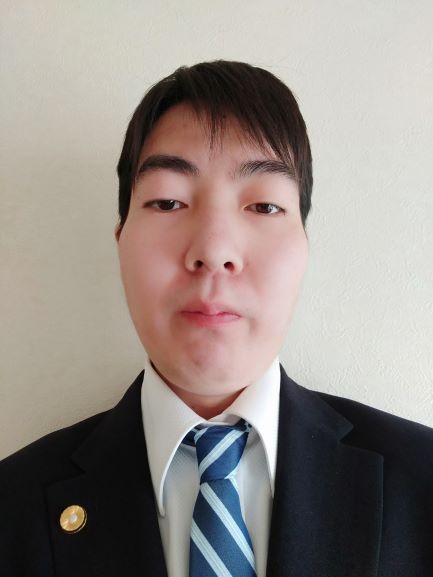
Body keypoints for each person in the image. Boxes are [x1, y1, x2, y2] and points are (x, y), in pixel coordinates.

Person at [1, 60, 432, 577]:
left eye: (264, 207)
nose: (214, 250)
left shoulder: (422, 481)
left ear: (304, 245)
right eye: (168, 201)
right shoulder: (12, 508)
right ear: (120, 242)